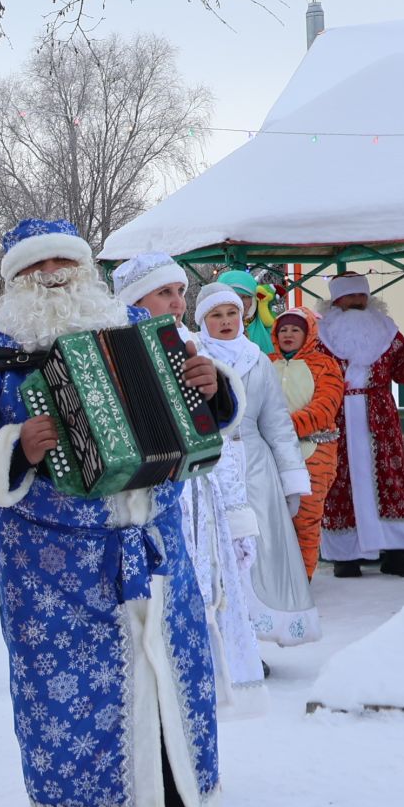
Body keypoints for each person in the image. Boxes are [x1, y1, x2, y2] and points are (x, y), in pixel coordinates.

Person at [0, 218, 254, 807]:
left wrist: (210, 385)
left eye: (65, 264)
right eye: (37, 268)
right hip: (52, 571)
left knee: (174, 690)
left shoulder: (138, 329)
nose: (54, 277)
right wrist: (19, 444)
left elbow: (201, 416)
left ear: (87, 270)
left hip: (154, 550)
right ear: (14, 281)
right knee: (71, 705)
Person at [111, 253, 264, 711]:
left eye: (180, 291)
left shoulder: (197, 347)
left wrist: (238, 515)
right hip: (148, 501)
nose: (178, 302)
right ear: (137, 300)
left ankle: (211, 687)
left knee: (212, 592)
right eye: (165, 292)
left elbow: (221, 437)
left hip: (203, 494)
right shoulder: (115, 347)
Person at [193, 283, 318, 647]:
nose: (226, 321)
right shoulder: (192, 357)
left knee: (259, 556)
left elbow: (277, 424)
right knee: (215, 553)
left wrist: (292, 478)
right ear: (203, 320)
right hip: (209, 468)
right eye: (216, 315)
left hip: (256, 472)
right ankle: (219, 641)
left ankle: (255, 636)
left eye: (232, 313)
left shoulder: (258, 359)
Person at [313, 273, 404, 577]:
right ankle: (346, 555)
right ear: (336, 300)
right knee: (339, 480)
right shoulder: (321, 334)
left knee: (389, 478)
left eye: (361, 296)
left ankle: (397, 551)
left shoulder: (386, 330)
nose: (357, 302)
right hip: (337, 415)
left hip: (378, 417)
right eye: (349, 296)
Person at [268, 306, 345, 577]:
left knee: (306, 520)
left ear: (308, 333)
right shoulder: (265, 362)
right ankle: (275, 581)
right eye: (283, 329)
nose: (288, 334)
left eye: (295, 329)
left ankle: (303, 580)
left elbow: (326, 407)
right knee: (271, 520)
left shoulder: (325, 365)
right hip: (270, 455)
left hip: (314, 454)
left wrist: (281, 427)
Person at [217, 268, 278, 353]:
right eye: (234, 296)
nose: (240, 302)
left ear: (254, 300)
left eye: (246, 297)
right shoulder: (211, 331)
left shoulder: (273, 331)